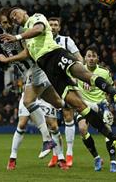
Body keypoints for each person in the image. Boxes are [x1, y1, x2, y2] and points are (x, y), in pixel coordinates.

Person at [0, 7, 116, 170]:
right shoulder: (27, 36)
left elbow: (39, 29)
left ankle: (115, 94)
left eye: (15, 14)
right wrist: (8, 59)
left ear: (23, 12)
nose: (14, 18)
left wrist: (16, 36)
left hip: (56, 55)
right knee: (80, 107)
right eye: (12, 18)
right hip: (49, 71)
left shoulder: (36, 18)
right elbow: (27, 53)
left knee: (84, 74)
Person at [0, 7, 60, 169]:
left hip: (36, 68)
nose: (8, 25)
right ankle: (84, 109)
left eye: (10, 22)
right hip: (27, 73)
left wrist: (7, 59)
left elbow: (28, 53)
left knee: (28, 101)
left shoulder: (21, 30)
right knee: (60, 103)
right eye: (4, 23)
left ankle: (47, 140)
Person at [76, 46, 116, 172]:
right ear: (85, 58)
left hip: (101, 104)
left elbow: (110, 88)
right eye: (89, 56)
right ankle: (97, 158)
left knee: (107, 131)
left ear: (98, 58)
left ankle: (113, 161)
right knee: (82, 129)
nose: (91, 59)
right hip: (84, 104)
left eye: (94, 56)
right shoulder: (78, 70)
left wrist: (109, 105)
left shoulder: (104, 72)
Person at [47, 17, 83, 167]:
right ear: (47, 27)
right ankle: (56, 155)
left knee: (68, 117)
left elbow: (79, 59)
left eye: (56, 25)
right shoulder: (40, 40)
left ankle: (69, 154)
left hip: (64, 84)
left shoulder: (67, 41)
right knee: (51, 123)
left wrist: (74, 75)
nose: (53, 27)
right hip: (47, 86)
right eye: (51, 25)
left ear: (59, 28)